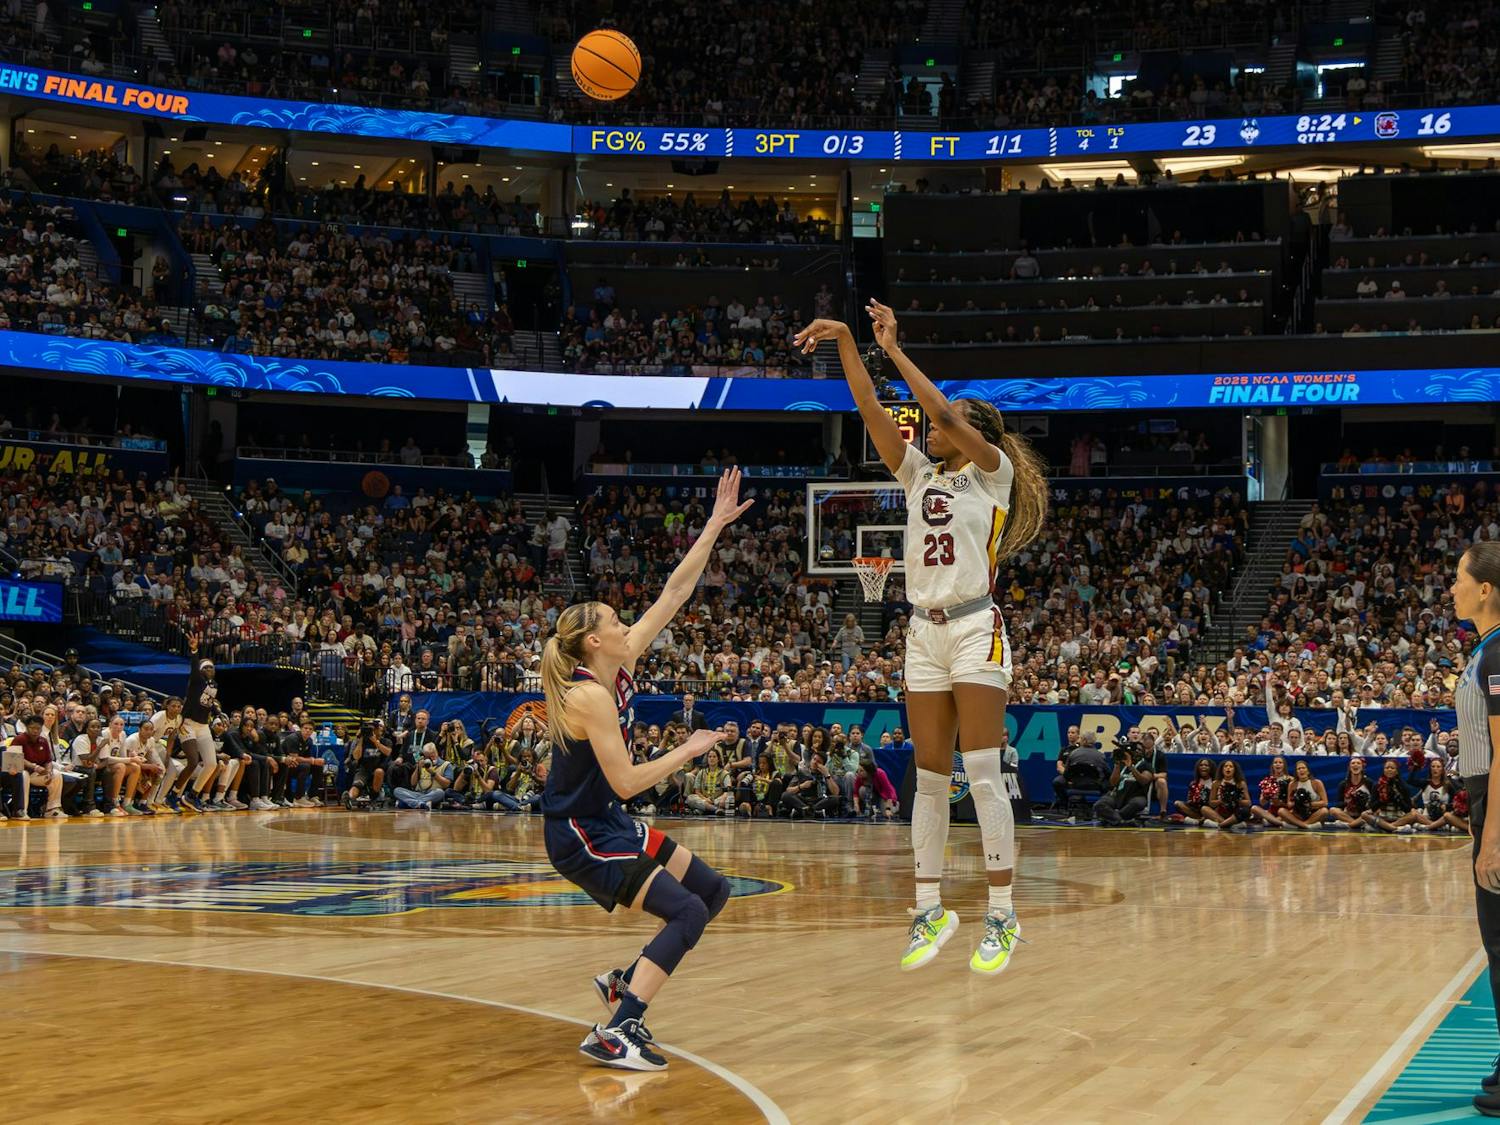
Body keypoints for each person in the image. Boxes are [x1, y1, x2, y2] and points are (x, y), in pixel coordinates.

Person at [796, 300, 1048, 976]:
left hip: (973, 626)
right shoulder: (919, 476)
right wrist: (853, 343)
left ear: (974, 431)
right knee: (929, 780)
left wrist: (896, 348)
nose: (932, 429)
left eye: (949, 422)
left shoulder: (992, 474)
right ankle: (929, 907)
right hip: (922, 631)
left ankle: (1001, 914)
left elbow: (936, 414)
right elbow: (874, 412)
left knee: (986, 773)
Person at [540, 468, 750, 1071]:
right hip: (581, 834)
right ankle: (618, 1028)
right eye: (611, 619)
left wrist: (713, 525)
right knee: (684, 912)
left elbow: (675, 593)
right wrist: (687, 749)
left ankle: (622, 983)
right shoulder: (588, 697)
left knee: (711, 892)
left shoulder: (620, 658)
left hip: (606, 818)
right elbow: (630, 781)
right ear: (593, 644)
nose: (622, 622)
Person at [1449, 542, 1500, 1115]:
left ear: (1485, 589)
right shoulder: (1485, 651)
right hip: (1485, 799)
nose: (1453, 588)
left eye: (1459, 579)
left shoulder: (1496, 654)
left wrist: (1491, 837)